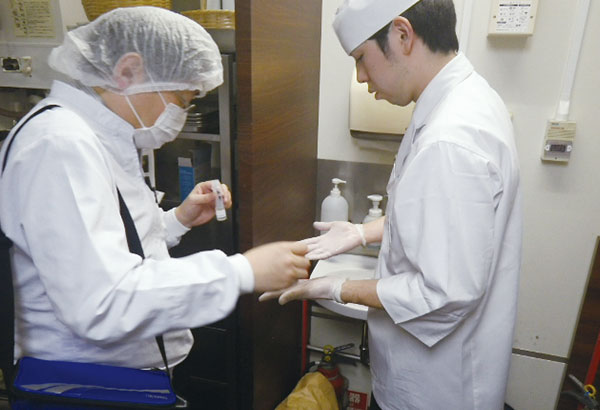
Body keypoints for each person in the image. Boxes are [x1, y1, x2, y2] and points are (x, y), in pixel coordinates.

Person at [0, 6, 309, 371]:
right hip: (82, 385)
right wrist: (241, 272)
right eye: (182, 100)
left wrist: (178, 220)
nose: (179, 115)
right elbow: (102, 301)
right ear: (128, 71)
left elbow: (109, 243)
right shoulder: (61, 145)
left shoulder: (98, 136)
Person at [260, 0, 522, 409]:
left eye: (362, 58)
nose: (361, 77)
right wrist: (364, 231)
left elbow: (444, 291)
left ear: (402, 35)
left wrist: (339, 288)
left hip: (436, 390)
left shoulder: (451, 139)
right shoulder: (461, 99)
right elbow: (441, 222)